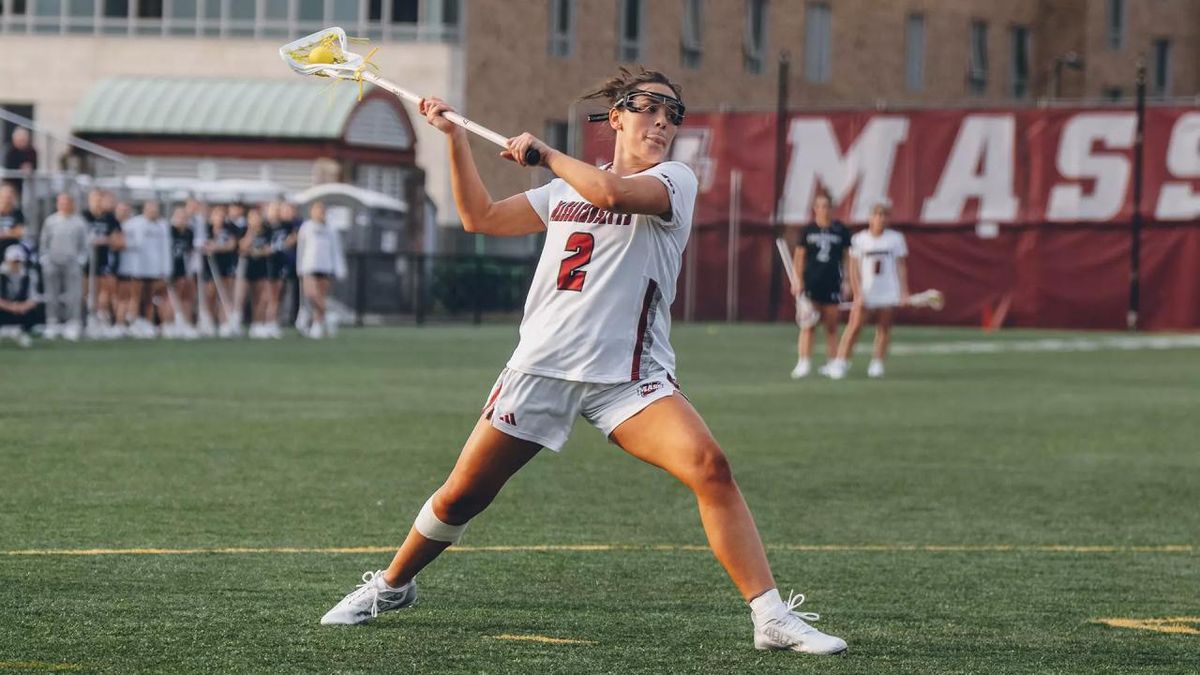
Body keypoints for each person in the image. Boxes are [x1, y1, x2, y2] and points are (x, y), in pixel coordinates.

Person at [317, 67, 847, 656]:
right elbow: (481, 219)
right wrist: (454, 140)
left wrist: (545, 153)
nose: (663, 123)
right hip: (541, 367)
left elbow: (613, 194)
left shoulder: (675, 180)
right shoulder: (566, 187)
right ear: (617, 115)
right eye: (650, 108)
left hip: (628, 377)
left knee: (709, 465)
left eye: (675, 115)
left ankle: (769, 616)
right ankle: (391, 586)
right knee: (460, 496)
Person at [826, 204, 909, 379]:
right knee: (854, 326)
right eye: (877, 215)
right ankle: (841, 362)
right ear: (871, 218)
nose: (881, 218)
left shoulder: (895, 239)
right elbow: (854, 268)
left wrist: (903, 292)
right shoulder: (859, 239)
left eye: (884, 215)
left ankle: (877, 363)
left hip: (888, 290)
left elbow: (901, 266)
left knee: (884, 328)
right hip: (867, 291)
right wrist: (858, 292)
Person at [789, 193, 851, 379]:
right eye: (820, 206)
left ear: (832, 208)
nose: (824, 209)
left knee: (831, 325)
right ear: (815, 208)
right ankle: (804, 362)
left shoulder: (840, 230)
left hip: (832, 282)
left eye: (827, 206)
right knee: (808, 324)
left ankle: (833, 363)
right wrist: (797, 279)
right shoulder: (808, 231)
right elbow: (799, 258)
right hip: (811, 282)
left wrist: (848, 280)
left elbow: (848, 258)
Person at [38, 192, 88, 341]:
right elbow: (44, 242)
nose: (64, 205)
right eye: (61, 202)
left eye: (67, 202)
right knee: (51, 294)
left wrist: (80, 260)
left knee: (74, 294)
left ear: (72, 204)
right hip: (53, 262)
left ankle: (73, 323)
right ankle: (52, 323)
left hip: (72, 262)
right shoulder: (50, 221)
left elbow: (84, 245)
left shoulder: (79, 222)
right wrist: (45, 259)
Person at [295, 200, 345, 339]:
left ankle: (318, 325)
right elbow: (301, 248)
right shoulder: (306, 227)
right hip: (309, 266)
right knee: (311, 295)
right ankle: (329, 316)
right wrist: (299, 267)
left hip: (325, 266)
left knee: (321, 296)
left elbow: (336, 250)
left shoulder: (331, 229)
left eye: (321, 210)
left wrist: (339, 268)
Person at [81, 189, 123, 335]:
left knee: (103, 291)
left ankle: (101, 318)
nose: (97, 202)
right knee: (84, 291)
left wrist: (103, 240)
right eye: (94, 199)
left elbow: (117, 240)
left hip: (103, 259)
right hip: (85, 260)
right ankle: (84, 320)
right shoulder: (83, 217)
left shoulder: (109, 218)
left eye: (100, 199)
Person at [200, 205, 239, 337]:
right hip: (210, 265)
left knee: (225, 294)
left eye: (221, 215)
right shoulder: (206, 228)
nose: (219, 218)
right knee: (210, 294)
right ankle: (210, 322)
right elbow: (202, 245)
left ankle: (224, 323)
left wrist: (216, 247)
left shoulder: (230, 228)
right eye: (216, 214)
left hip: (225, 264)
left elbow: (231, 245)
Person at [238, 207, 274, 339]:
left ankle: (258, 324)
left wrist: (257, 252)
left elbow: (269, 249)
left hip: (262, 267)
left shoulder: (267, 231)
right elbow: (242, 247)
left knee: (262, 297)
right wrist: (250, 233)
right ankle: (236, 323)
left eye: (257, 217)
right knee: (242, 297)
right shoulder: (244, 230)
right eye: (252, 217)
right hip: (246, 268)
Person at [0, 245, 41, 348]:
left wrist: (21, 306)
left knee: (33, 312)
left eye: (18, 262)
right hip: (5, 307)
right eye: (13, 261)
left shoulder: (29, 275)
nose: (16, 264)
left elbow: (34, 298)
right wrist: (11, 307)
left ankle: (20, 331)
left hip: (22, 308)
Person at [168, 205, 198, 337]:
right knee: (173, 294)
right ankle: (173, 321)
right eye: (179, 216)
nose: (182, 219)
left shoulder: (189, 232)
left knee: (187, 293)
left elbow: (190, 251)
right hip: (170, 267)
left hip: (183, 267)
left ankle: (185, 322)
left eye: (184, 217)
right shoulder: (169, 230)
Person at [2, 127, 38, 197]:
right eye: (20, 140)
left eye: (23, 140)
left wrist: (30, 168)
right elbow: (8, 166)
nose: (22, 143)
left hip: (28, 184)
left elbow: (35, 166)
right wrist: (20, 168)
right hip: (12, 183)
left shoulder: (31, 151)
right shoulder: (10, 151)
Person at [0, 183, 26, 260]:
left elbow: (19, 232)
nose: (7, 200)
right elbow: (14, 232)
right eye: (5, 197)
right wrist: (11, 232)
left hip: (12, 248)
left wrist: (3, 233)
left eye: (9, 197)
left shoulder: (17, 213)